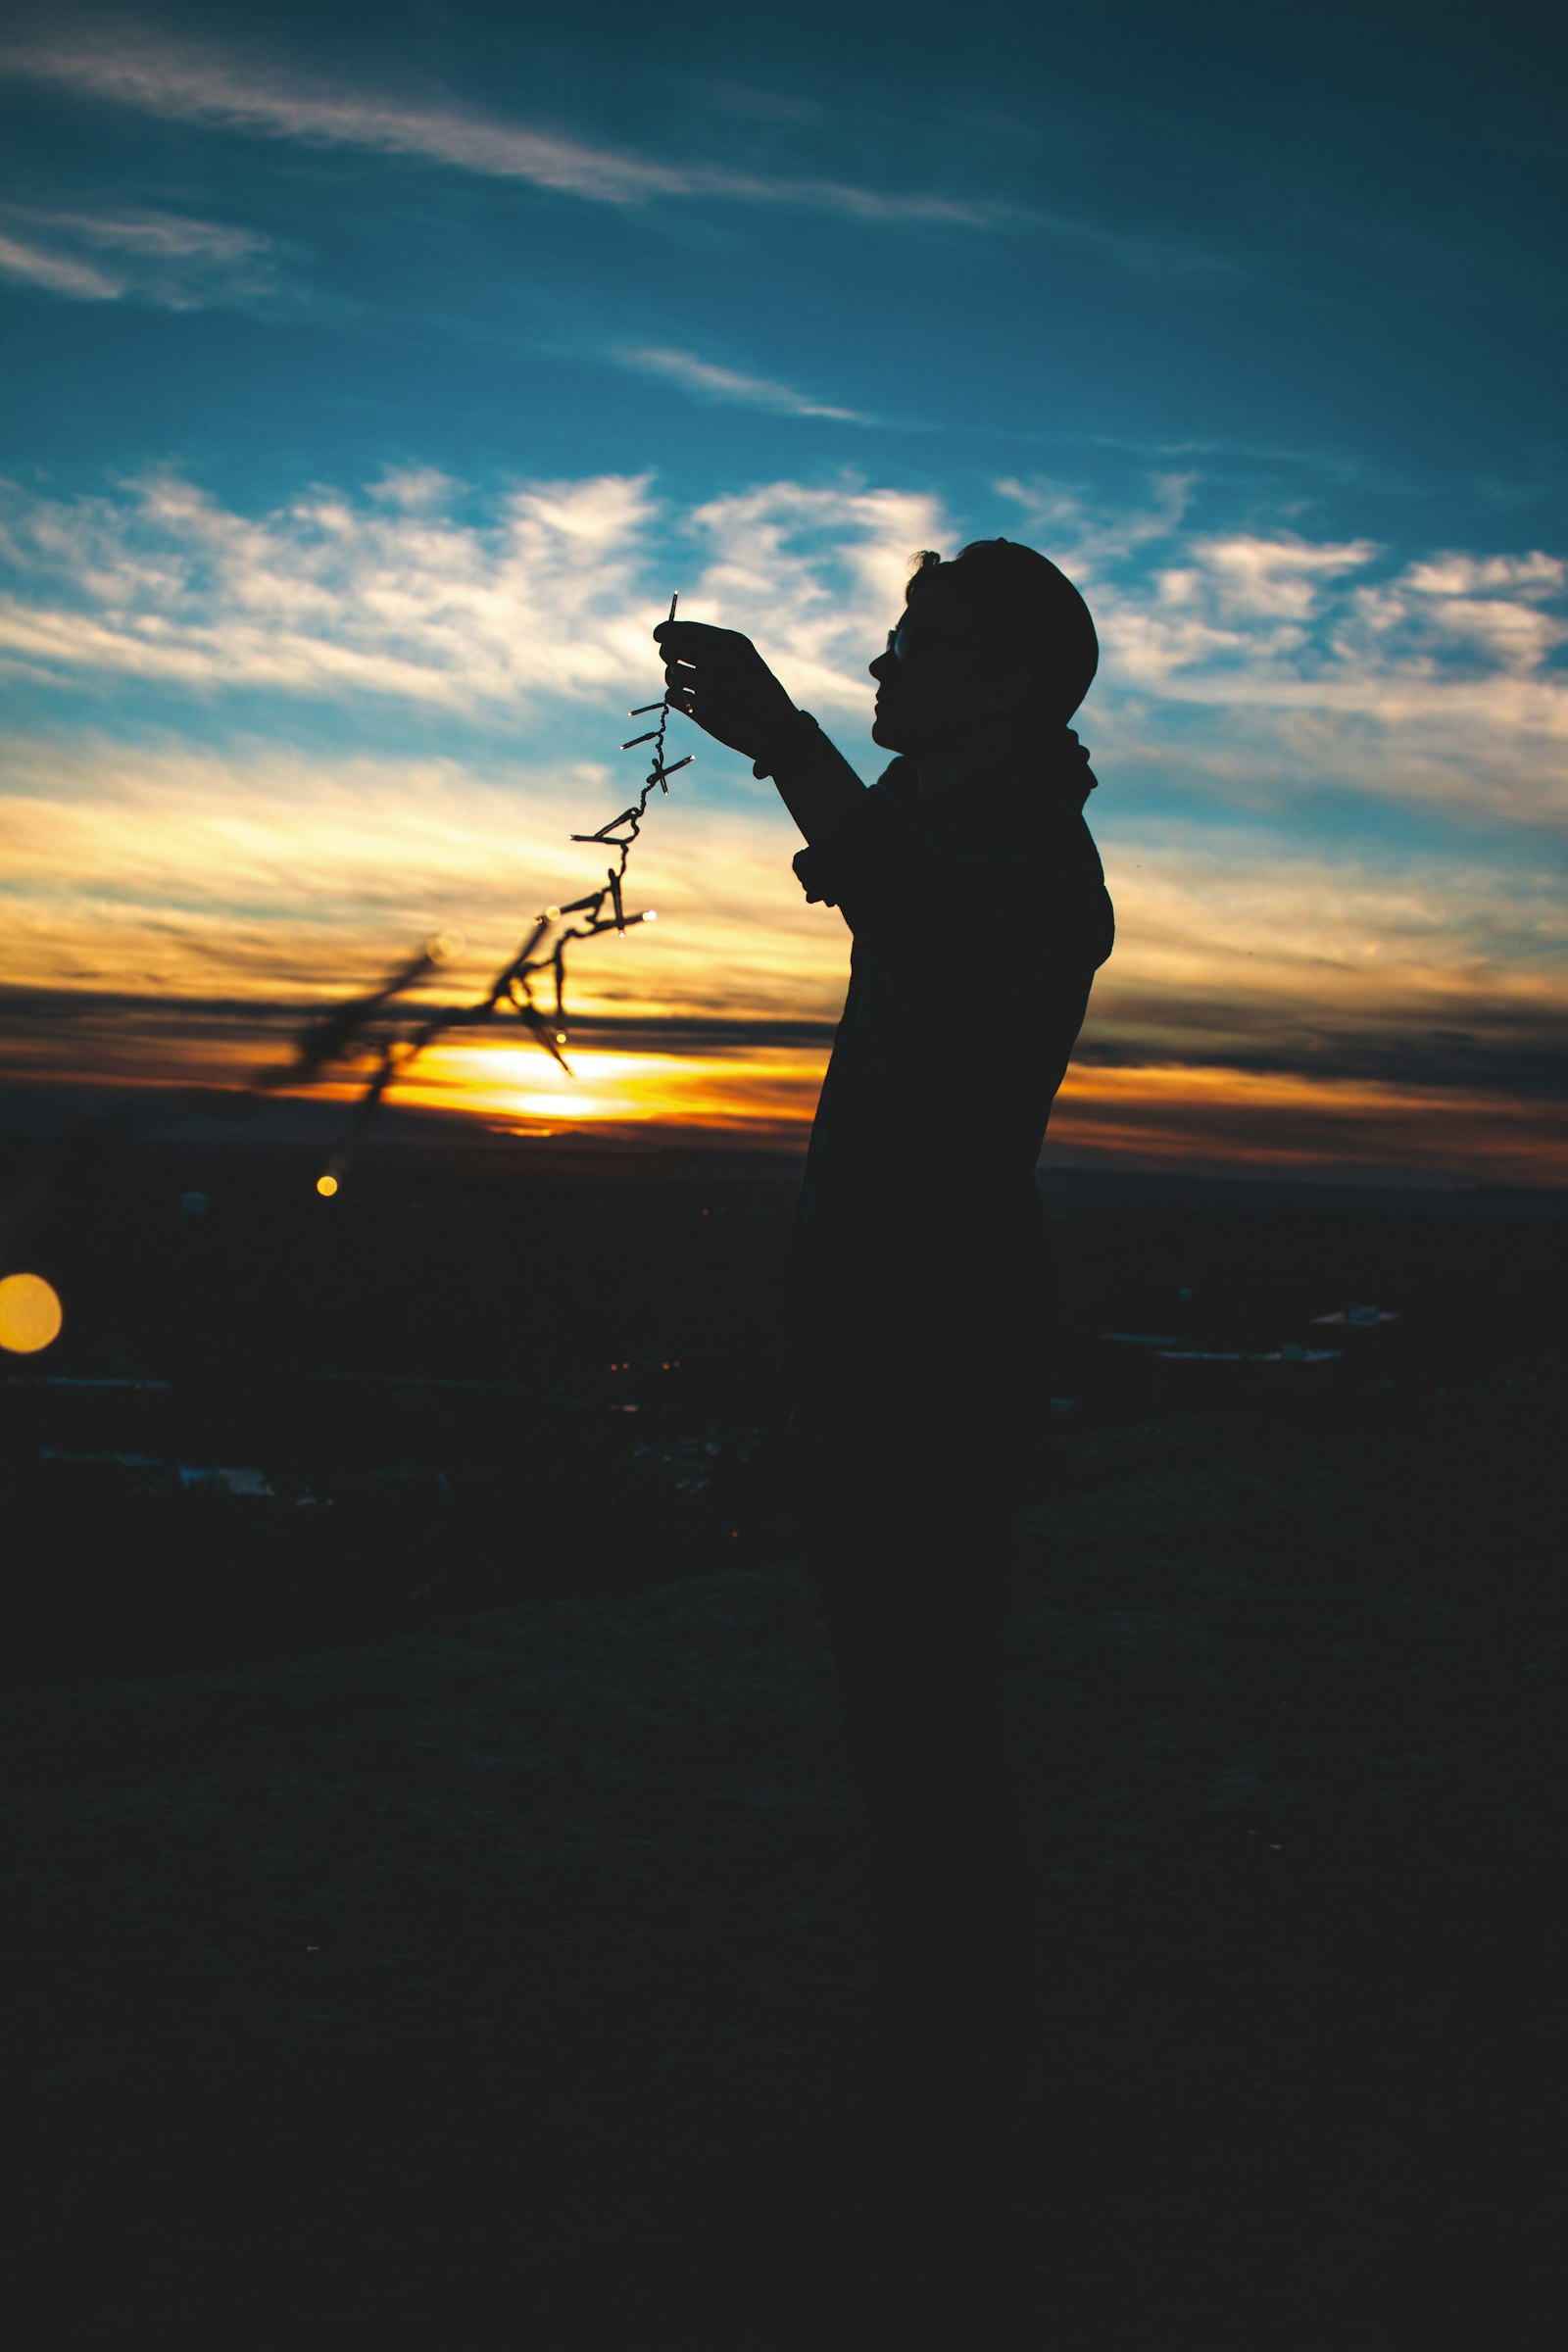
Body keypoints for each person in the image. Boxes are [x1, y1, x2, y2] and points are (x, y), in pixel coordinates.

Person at [656, 540, 1113, 2283]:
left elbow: (901, 902)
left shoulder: (1031, 867)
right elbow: (886, 873)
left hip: (935, 1359)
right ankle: (940, 2112)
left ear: (1000, 683)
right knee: (912, 1734)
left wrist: (778, 735)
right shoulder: (966, 833)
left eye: (916, 645)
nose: (882, 666)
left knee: (929, 1741)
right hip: (891, 1348)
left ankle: (950, 2142)